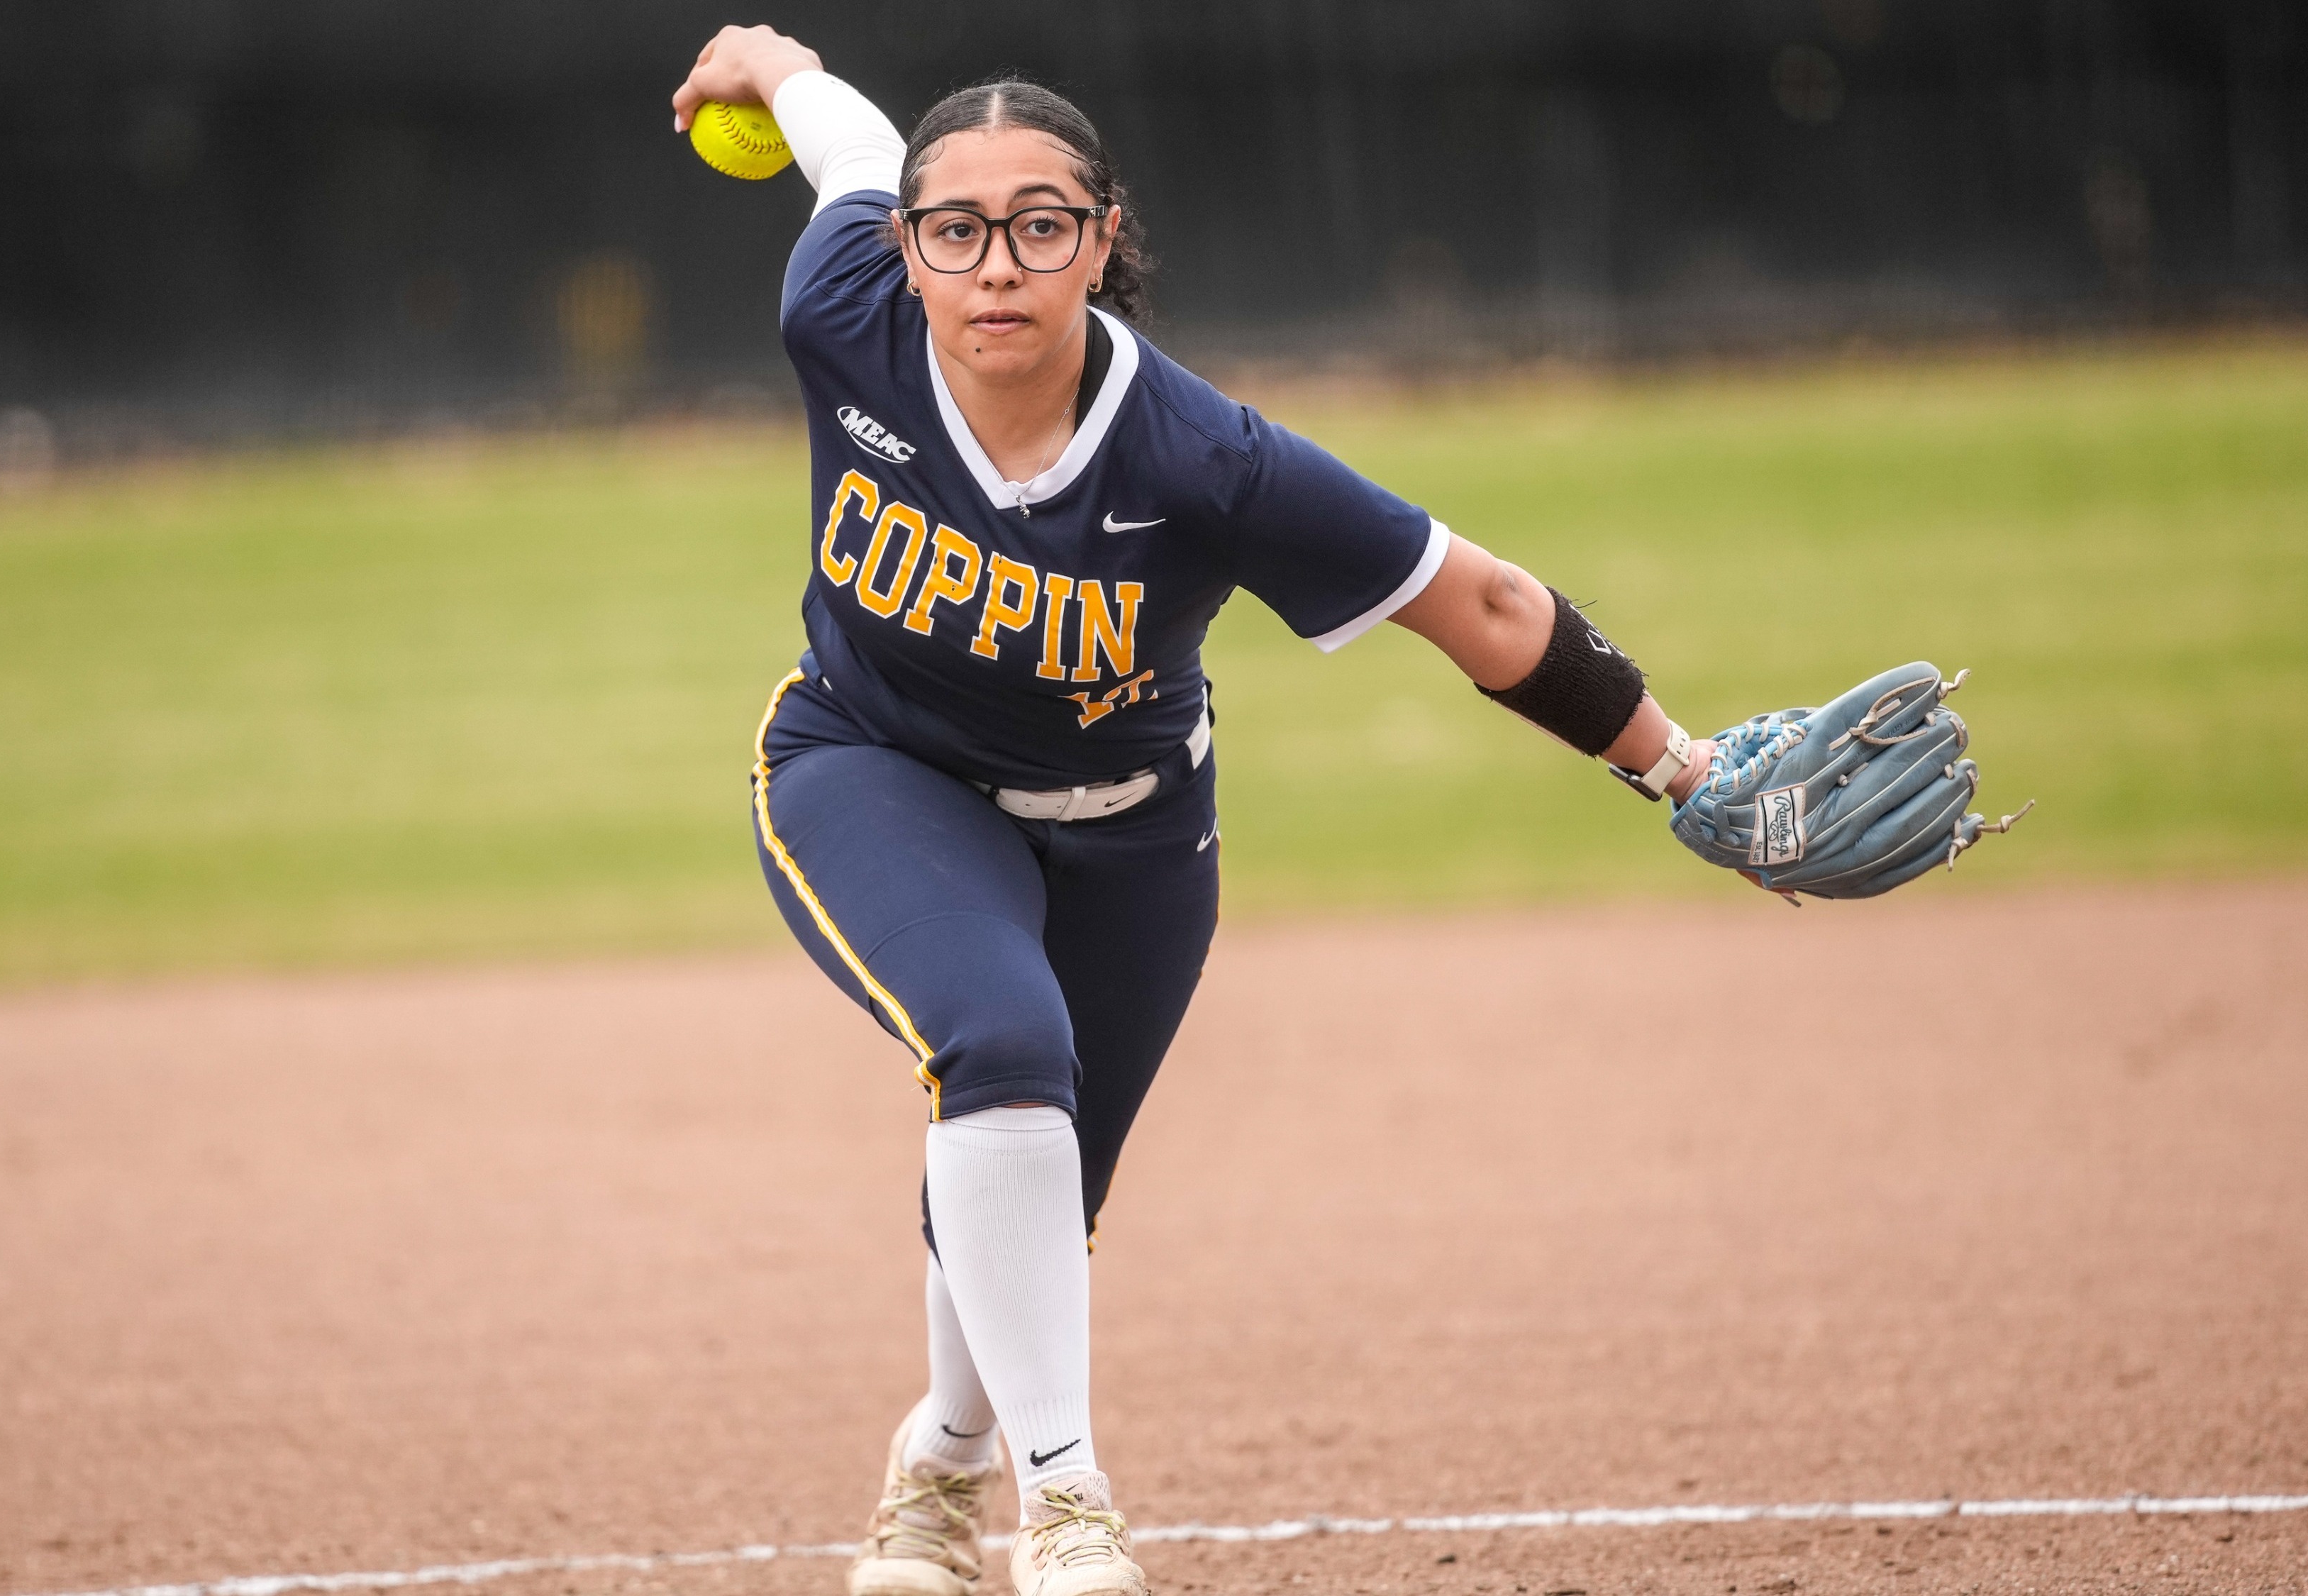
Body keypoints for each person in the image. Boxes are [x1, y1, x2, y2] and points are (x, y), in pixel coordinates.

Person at [670, 26, 1716, 1596]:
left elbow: (1480, 605)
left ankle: (941, 1465)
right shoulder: (843, 309)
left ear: (1101, 241)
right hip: (870, 768)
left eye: (1041, 223)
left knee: (1040, 1182)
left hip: (1138, 833)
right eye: (955, 230)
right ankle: (1066, 1502)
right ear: (906, 252)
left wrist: (1683, 772)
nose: (995, 263)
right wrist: (765, 55)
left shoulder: (1203, 459)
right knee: (999, 1047)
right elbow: (843, 137)